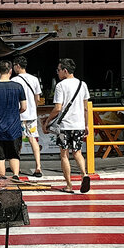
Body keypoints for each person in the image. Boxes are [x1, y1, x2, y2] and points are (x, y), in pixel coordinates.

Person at [42, 58, 91, 193]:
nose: (57, 73)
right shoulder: (83, 84)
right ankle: (84, 174)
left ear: (65, 70)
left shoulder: (60, 86)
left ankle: (69, 185)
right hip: (79, 124)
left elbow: (58, 108)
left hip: (65, 126)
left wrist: (47, 121)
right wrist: (86, 125)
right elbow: (86, 107)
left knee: (64, 155)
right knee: (78, 152)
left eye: (58, 70)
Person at [12, 55, 44, 177]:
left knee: (17, 141)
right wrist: (33, 108)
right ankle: (38, 167)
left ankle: (16, 167)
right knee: (33, 139)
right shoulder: (34, 79)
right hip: (31, 115)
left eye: (15, 65)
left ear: (18, 66)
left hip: (18, 115)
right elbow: (38, 98)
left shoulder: (14, 80)